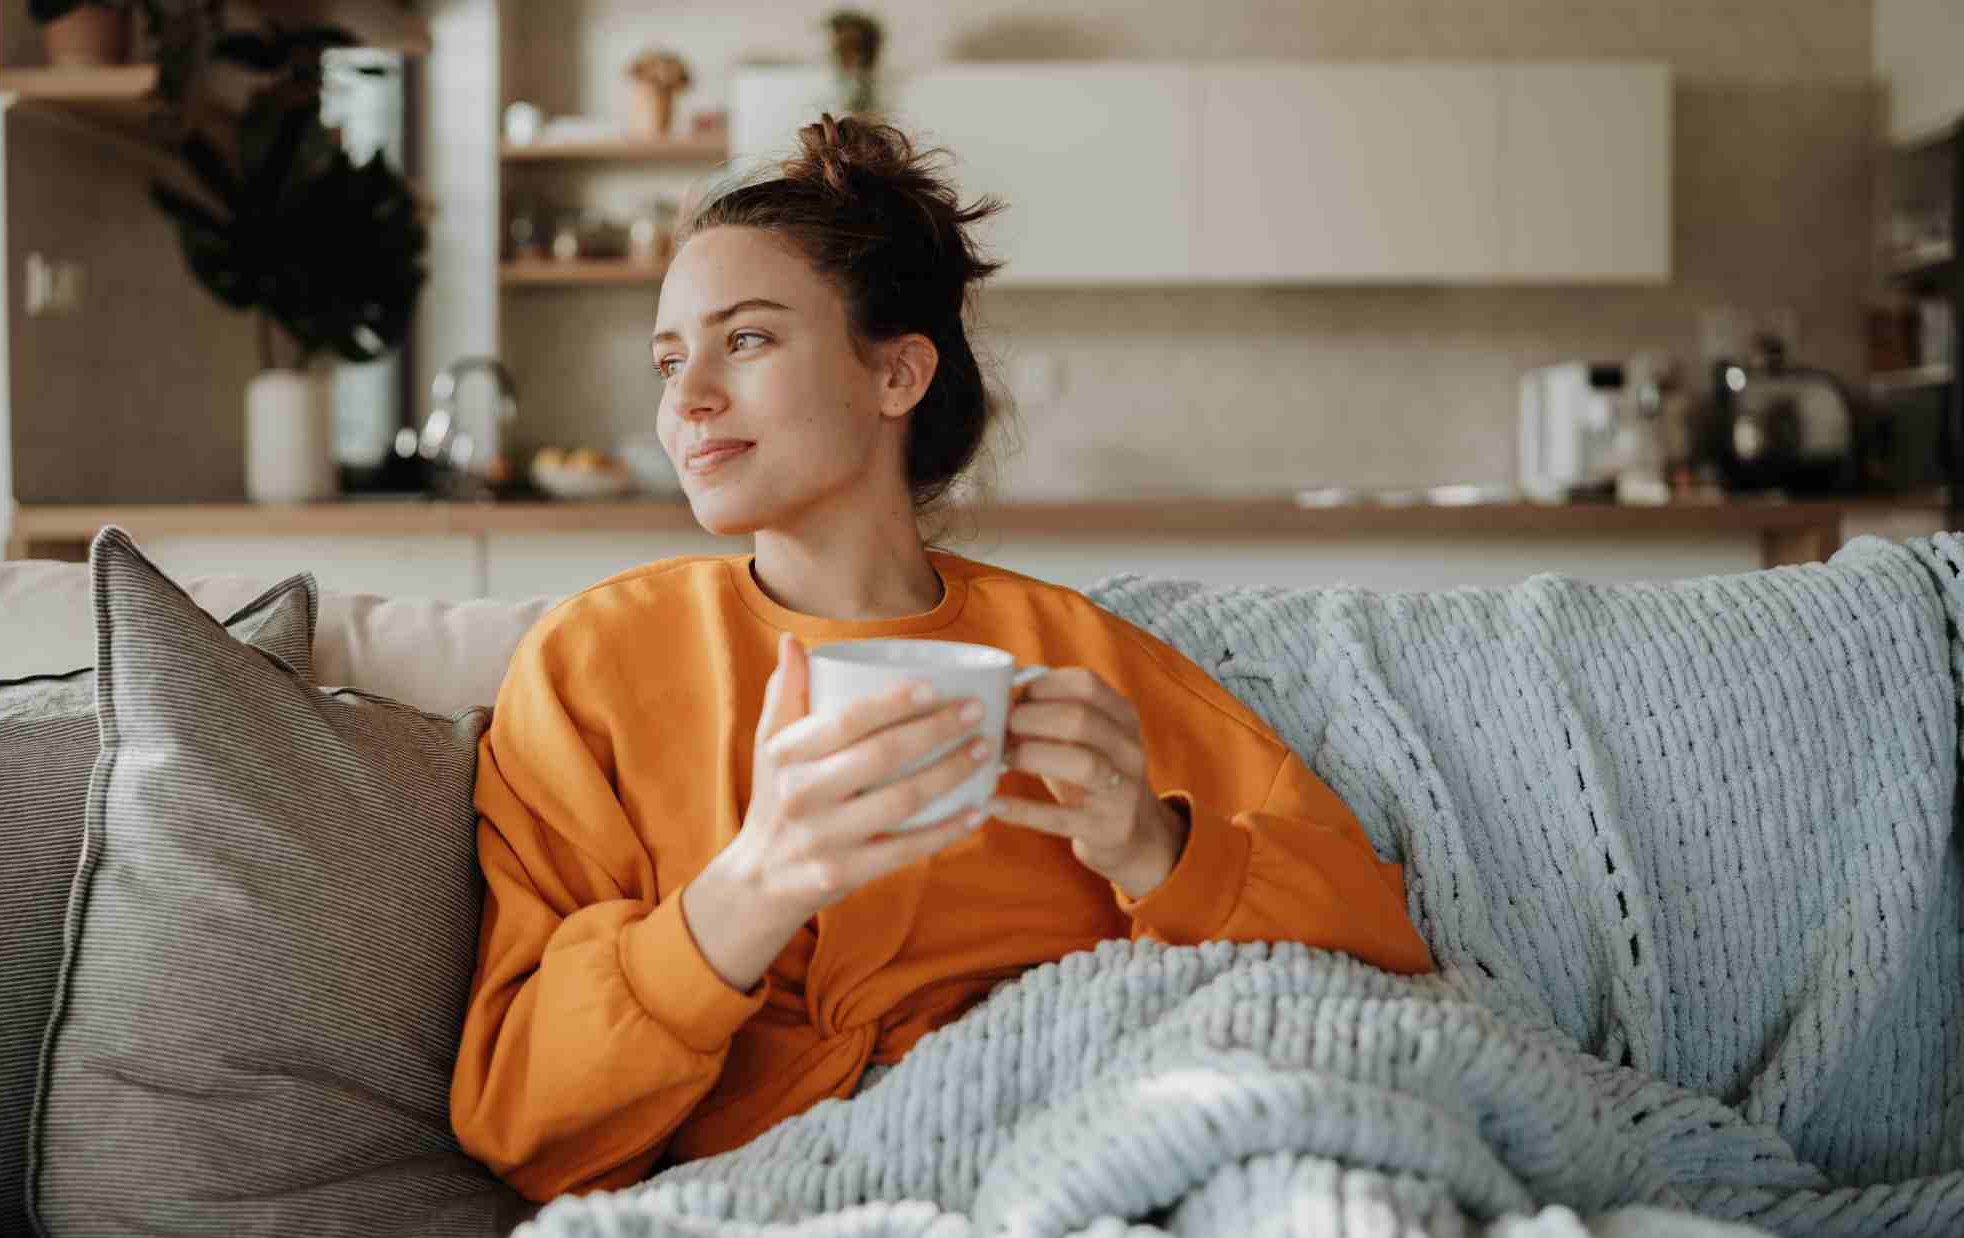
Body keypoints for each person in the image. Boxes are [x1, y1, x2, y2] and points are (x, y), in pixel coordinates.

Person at [450, 115, 1434, 1202]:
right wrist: (754, 884)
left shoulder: (1073, 658)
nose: (685, 401)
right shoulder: (593, 663)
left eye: (746, 340)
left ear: (897, 374)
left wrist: (1158, 846)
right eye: (669, 359)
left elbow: (1377, 954)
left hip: (1091, 1151)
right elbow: (523, 1123)